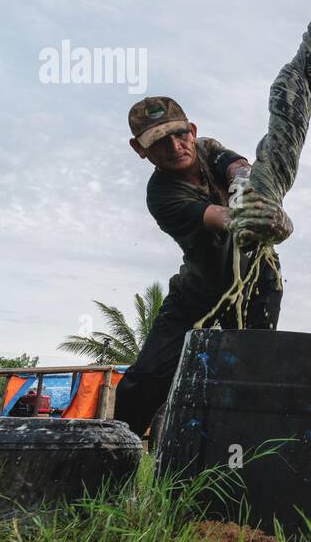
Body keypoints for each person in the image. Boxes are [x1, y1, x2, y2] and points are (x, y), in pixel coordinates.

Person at [114, 96, 293, 440]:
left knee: (252, 370)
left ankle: (242, 456)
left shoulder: (209, 148)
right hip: (199, 293)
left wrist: (242, 184)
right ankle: (116, 454)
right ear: (139, 149)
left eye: (179, 135)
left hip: (258, 284)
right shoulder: (162, 194)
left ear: (193, 131)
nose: (174, 146)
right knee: (146, 377)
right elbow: (220, 218)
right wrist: (249, 217)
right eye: (159, 142)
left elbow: (237, 164)